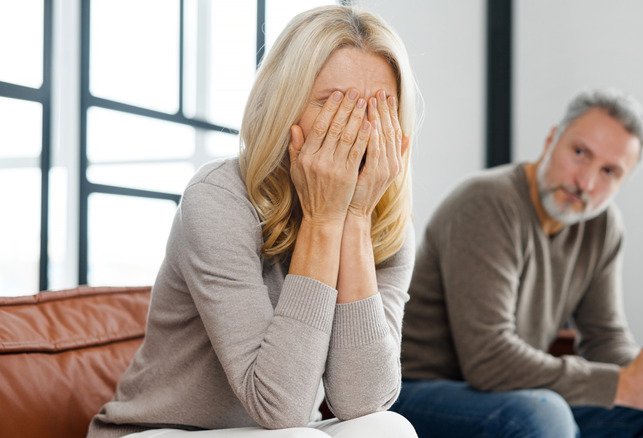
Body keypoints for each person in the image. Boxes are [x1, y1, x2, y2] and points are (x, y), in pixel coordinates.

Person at [88, 5, 420, 438]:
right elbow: (279, 406)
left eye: (379, 108)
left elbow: (363, 402)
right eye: (333, 103)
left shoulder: (388, 224)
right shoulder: (218, 197)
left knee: (387, 427)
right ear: (285, 108)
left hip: (281, 432)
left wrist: (354, 218)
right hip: (160, 430)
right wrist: (322, 220)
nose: (356, 128)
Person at [390, 89, 643, 437]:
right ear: (552, 139)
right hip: (419, 391)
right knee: (543, 414)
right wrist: (622, 384)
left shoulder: (601, 225)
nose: (586, 182)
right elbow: (489, 360)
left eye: (609, 172)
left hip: (507, 394)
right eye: (580, 153)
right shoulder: (486, 203)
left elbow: (604, 337)